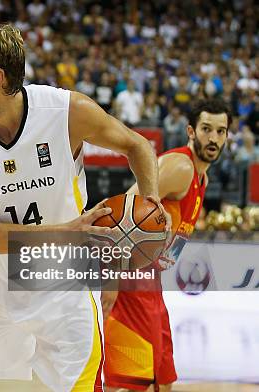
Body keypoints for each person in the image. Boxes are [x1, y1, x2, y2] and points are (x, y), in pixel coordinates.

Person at [0, 23, 167, 392]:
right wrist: (71, 230)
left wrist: (150, 202)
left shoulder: (67, 111)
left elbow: (138, 146)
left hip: (61, 284)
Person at [103, 99, 230, 392]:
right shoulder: (180, 166)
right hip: (130, 277)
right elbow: (122, 211)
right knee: (134, 381)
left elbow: (178, 234)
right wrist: (111, 278)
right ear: (191, 131)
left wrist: (167, 252)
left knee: (164, 379)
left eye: (221, 131)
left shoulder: (202, 178)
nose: (213, 138)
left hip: (151, 282)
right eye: (206, 129)